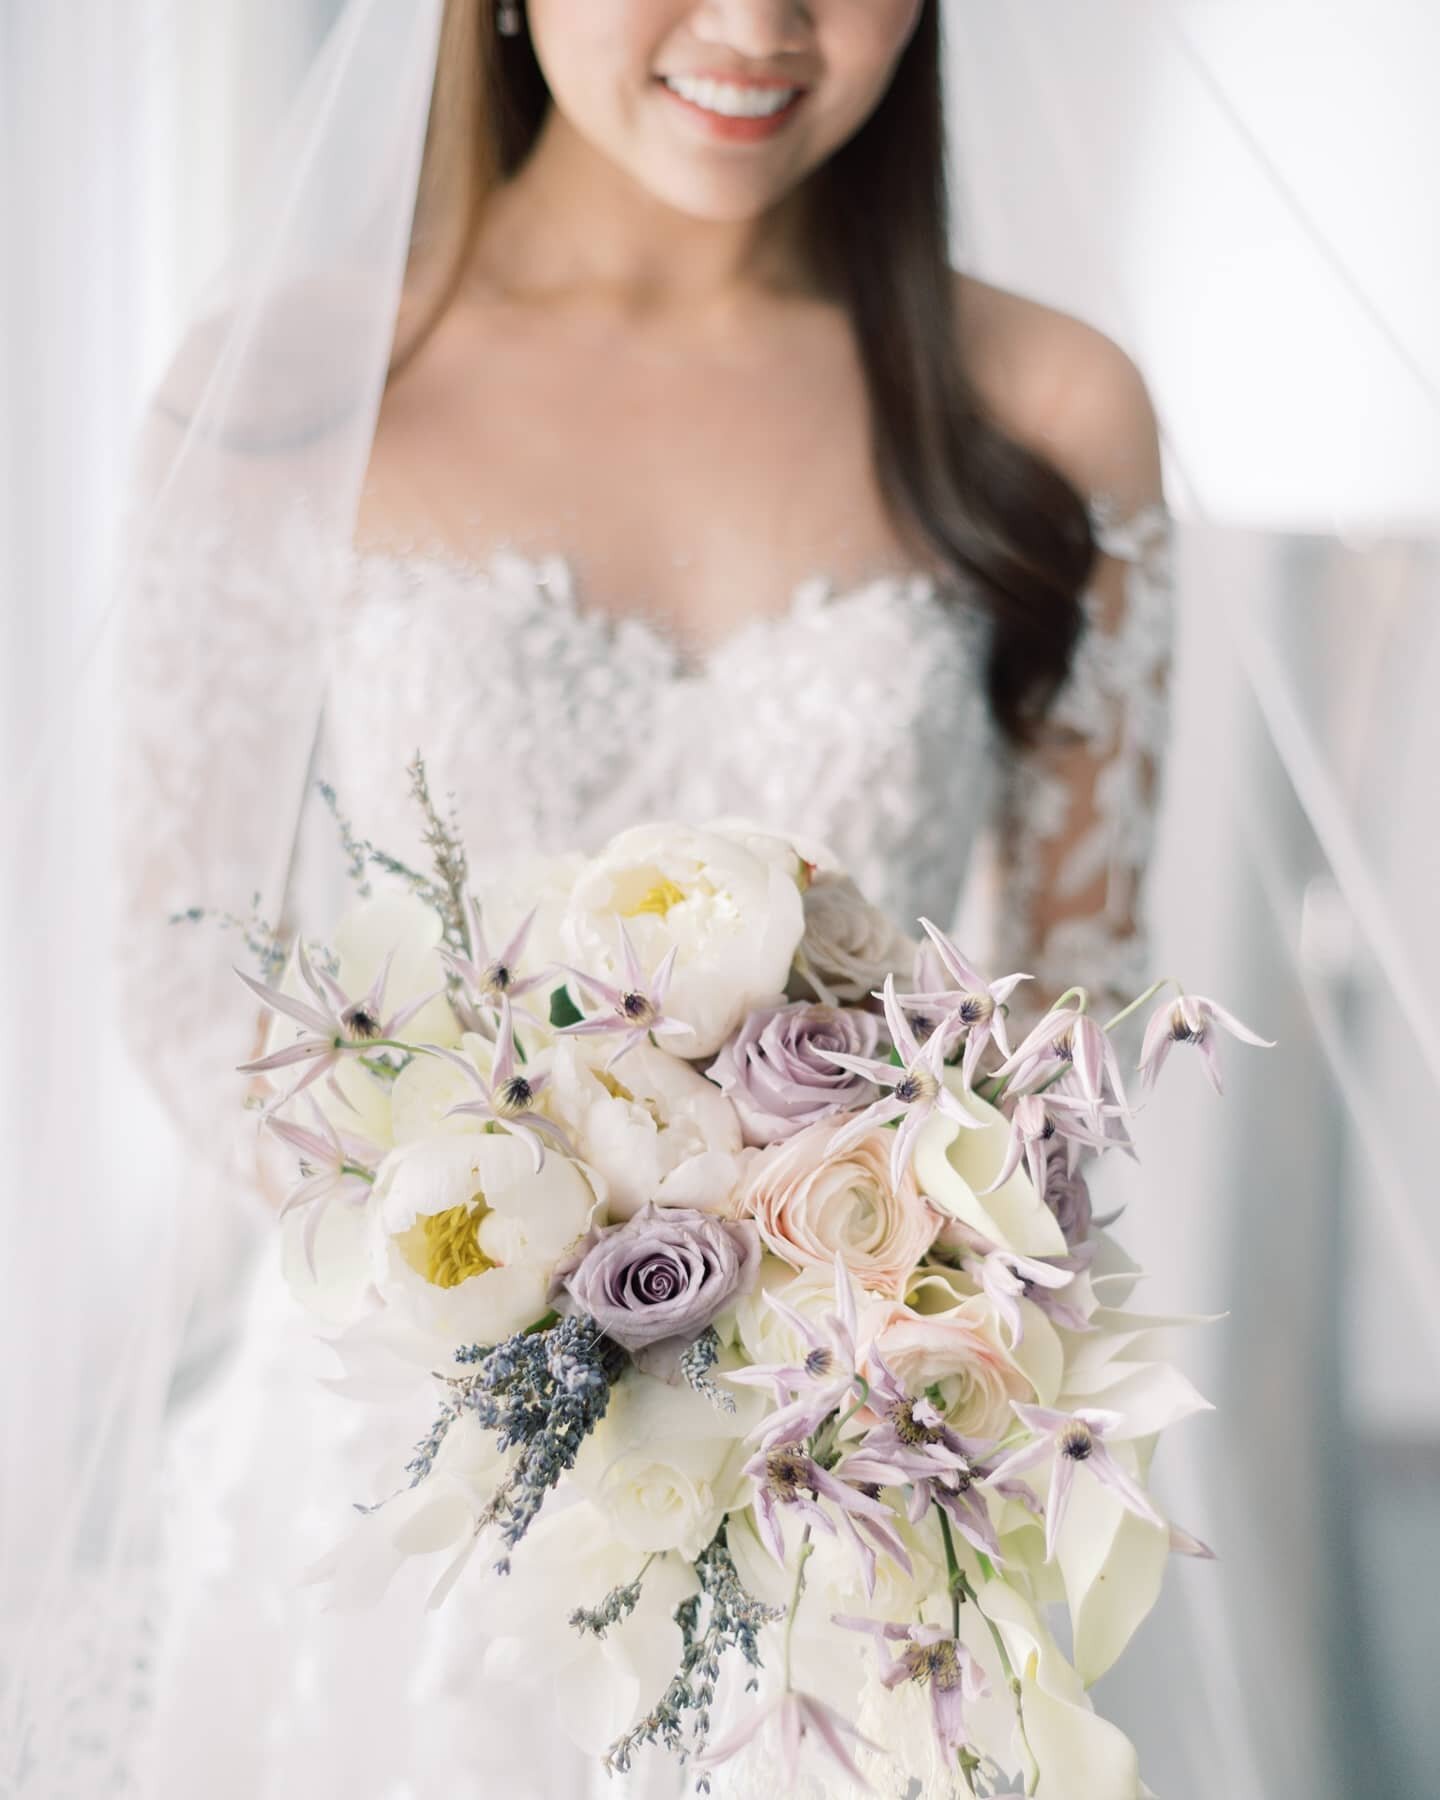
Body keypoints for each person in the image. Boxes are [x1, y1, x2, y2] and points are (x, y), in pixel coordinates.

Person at [121, 3, 1173, 1795]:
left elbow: (1077, 1010)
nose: (760, 25)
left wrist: (841, 1304)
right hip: (397, 1463)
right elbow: (184, 979)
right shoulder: (294, 384)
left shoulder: (1049, 405)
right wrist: (532, 1294)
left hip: (840, 1489)